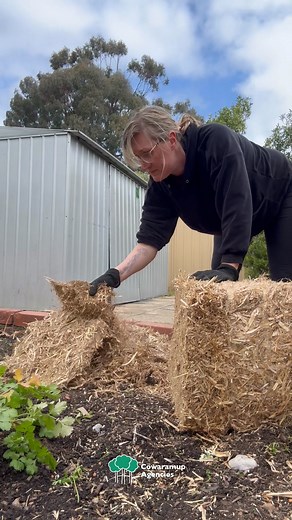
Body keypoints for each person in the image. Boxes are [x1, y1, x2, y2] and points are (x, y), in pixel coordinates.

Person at [89, 106, 292, 296]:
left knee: (283, 285)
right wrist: (115, 275)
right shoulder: (161, 182)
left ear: (170, 139)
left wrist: (230, 266)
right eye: (138, 158)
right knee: (215, 288)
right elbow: (149, 241)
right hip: (229, 220)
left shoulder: (215, 142)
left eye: (146, 154)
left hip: (281, 193)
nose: (143, 165)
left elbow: (236, 201)